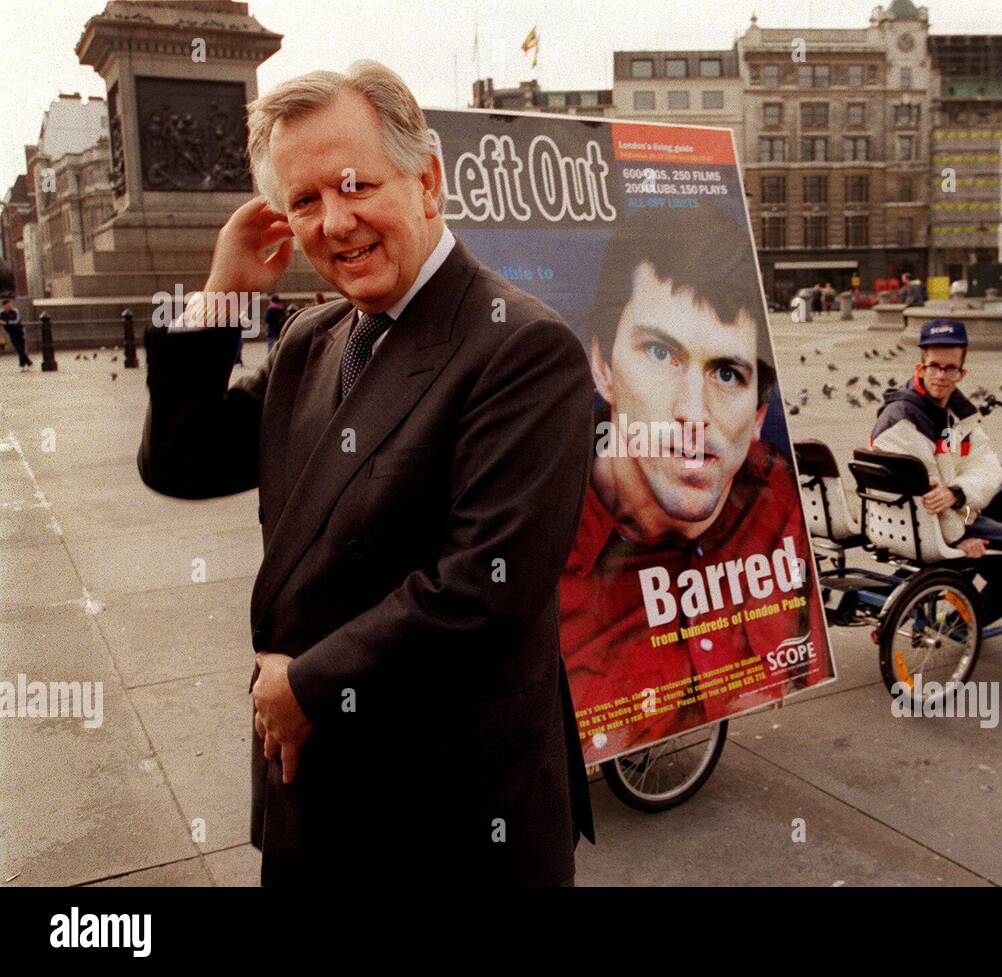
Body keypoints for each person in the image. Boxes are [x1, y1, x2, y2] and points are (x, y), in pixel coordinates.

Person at [136, 60, 594, 885]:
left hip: (449, 819)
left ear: (427, 181)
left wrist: (302, 685)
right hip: (313, 804)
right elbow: (181, 460)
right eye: (304, 201)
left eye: (354, 185)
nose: (333, 222)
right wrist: (221, 296)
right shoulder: (313, 339)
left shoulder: (522, 347)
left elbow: (482, 592)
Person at [561, 204, 831, 757]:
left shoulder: (777, 501)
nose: (694, 413)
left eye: (727, 373)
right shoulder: (544, 537)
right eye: (660, 353)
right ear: (602, 365)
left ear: (758, 417)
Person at [869, 318, 1002, 678]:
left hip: (936, 520)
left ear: (962, 372)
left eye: (950, 368)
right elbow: (926, 499)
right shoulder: (904, 420)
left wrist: (959, 493)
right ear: (919, 366)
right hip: (936, 529)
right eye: (934, 366)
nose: (941, 375)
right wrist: (961, 536)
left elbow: (984, 466)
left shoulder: (952, 414)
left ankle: (960, 621)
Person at [1, 299, 34, 371]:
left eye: (10, 305)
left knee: (21, 348)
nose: (10, 306)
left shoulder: (15, 311)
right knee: (18, 348)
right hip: (11, 333)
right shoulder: (2, 313)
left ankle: (24, 365)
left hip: (19, 331)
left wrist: (6, 323)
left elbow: (16, 321)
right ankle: (28, 363)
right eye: (8, 305)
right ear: (4, 306)